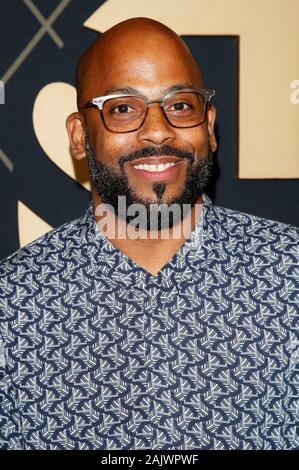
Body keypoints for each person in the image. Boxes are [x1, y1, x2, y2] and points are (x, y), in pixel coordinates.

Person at [0, 17, 298, 451]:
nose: (158, 130)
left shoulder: (288, 275)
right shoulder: (13, 303)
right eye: (122, 107)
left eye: (180, 105)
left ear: (209, 125)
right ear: (80, 136)